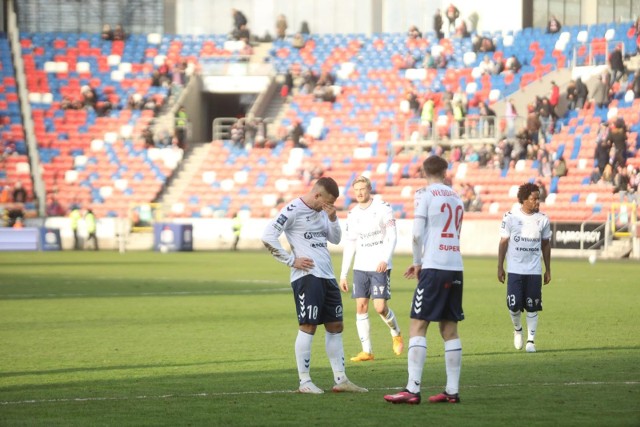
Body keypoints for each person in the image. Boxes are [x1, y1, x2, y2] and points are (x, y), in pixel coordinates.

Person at [261, 177, 368, 394]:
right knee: (308, 326)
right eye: (326, 202)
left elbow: (336, 239)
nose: (327, 207)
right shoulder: (293, 209)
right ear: (317, 195)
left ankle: (341, 379)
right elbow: (267, 236)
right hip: (307, 276)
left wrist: (333, 218)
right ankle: (304, 382)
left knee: (336, 326)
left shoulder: (324, 212)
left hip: (327, 276)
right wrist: (291, 260)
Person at [384, 155, 464, 405]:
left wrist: (418, 261)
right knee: (449, 328)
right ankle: (451, 391)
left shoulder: (425, 195)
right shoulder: (456, 197)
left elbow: (418, 233)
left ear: (423, 171)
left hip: (434, 266)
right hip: (455, 265)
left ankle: (412, 389)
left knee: (418, 325)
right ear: (446, 171)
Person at [339, 176, 403, 363]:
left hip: (379, 265)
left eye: (362, 189)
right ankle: (367, 351)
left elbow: (392, 235)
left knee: (380, 307)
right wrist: (343, 274)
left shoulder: (383, 208)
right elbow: (350, 244)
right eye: (356, 189)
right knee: (361, 306)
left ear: (369, 189)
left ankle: (396, 332)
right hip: (361, 267)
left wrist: (386, 258)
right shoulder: (352, 214)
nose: (359, 192)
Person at [497, 182, 551, 354]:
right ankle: (518, 329)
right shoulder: (510, 217)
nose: (537, 202)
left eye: (539, 199)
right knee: (513, 306)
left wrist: (548, 269)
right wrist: (500, 266)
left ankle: (531, 340)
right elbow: (503, 242)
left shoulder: (543, 219)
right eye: (534, 199)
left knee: (532, 306)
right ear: (523, 200)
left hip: (534, 270)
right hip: (514, 269)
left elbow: (546, 245)